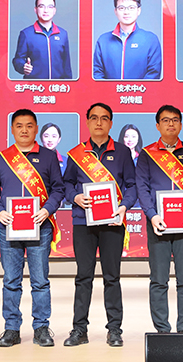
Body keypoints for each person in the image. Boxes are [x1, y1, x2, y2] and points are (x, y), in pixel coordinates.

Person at [0, 109, 66, 348]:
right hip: (9, 228)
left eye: (29, 125)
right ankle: (11, 329)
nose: (24, 130)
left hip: (40, 227)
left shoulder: (48, 157)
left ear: (36, 128)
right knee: (11, 280)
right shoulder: (3, 158)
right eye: (19, 125)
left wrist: (47, 209)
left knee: (40, 281)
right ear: (12, 129)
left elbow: (58, 189)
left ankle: (41, 328)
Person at [62, 102, 137, 347]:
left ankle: (114, 330)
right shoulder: (76, 153)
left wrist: (124, 206)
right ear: (87, 122)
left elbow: (132, 185)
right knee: (83, 276)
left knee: (112, 277)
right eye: (94, 118)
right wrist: (75, 197)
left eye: (104, 118)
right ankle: (79, 330)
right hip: (83, 222)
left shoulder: (123, 152)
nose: (99, 122)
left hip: (113, 222)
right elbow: (66, 184)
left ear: (111, 123)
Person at [134, 105, 183, 333]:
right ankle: (162, 331)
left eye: (175, 120)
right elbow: (142, 188)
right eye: (165, 120)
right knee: (158, 280)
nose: (170, 124)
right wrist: (152, 215)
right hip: (158, 225)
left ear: (181, 125)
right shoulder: (147, 154)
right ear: (157, 125)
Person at [92, 0, 162, 80]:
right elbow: (97, 73)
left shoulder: (151, 39)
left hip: (140, 90)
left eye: (131, 8)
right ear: (115, 11)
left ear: (138, 10)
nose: (126, 12)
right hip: (109, 90)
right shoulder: (103, 40)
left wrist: (134, 89)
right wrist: (112, 89)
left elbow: (153, 73)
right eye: (121, 8)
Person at [12, 0, 73, 80]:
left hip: (57, 86)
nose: (46, 10)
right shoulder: (26, 34)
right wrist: (23, 66)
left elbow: (66, 65)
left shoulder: (63, 34)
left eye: (50, 7)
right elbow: (18, 59)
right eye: (41, 6)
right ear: (35, 10)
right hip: (34, 86)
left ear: (54, 10)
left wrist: (70, 85)